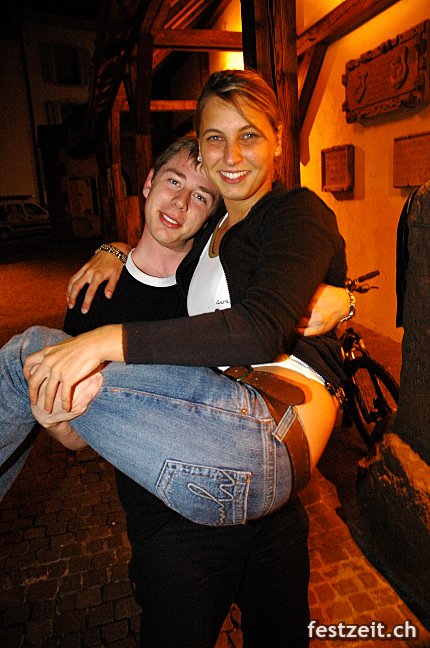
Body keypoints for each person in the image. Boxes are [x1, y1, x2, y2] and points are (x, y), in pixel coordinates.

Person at [0, 68, 348, 529]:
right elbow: (165, 246)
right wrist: (114, 250)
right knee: (39, 365)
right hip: (203, 443)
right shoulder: (208, 240)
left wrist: (102, 341)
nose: (232, 155)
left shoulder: (296, 212)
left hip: (267, 432)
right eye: (215, 138)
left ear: (279, 140)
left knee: (24, 357)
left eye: (249, 135)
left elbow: (259, 328)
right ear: (200, 145)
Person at [48, 135, 314, 647]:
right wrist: (60, 418)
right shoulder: (95, 298)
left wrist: (340, 299)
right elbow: (77, 438)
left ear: (213, 213)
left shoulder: (223, 277)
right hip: (170, 527)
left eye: (200, 196)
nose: (180, 203)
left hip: (266, 514)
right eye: (173, 181)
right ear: (148, 182)